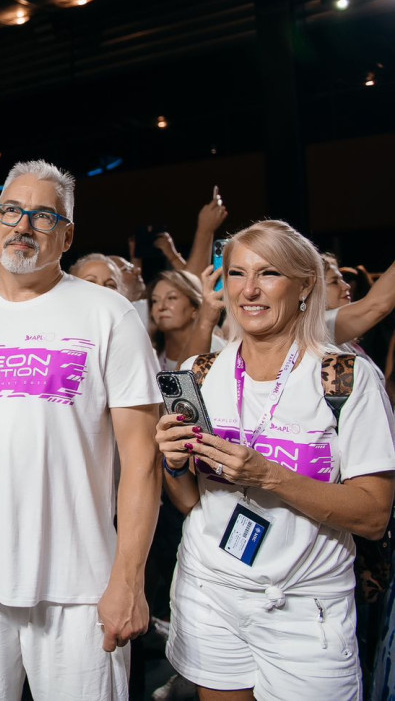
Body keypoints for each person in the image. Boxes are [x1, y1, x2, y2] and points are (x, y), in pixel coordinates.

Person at [0, 159, 162, 700]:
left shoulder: (109, 315)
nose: (22, 225)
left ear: (67, 235)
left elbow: (143, 460)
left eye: (43, 216)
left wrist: (129, 579)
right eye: (11, 211)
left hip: (80, 586)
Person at [157, 220, 395, 701]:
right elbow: (188, 502)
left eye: (268, 273)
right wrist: (174, 462)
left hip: (305, 605)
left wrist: (269, 475)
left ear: (304, 285)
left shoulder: (344, 378)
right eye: (237, 273)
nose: (249, 290)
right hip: (209, 591)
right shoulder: (199, 372)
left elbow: (373, 516)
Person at [149, 269, 226, 372]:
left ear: (194, 308)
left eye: (171, 298)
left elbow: (187, 381)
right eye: (155, 300)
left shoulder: (217, 349)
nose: (161, 307)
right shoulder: (152, 352)